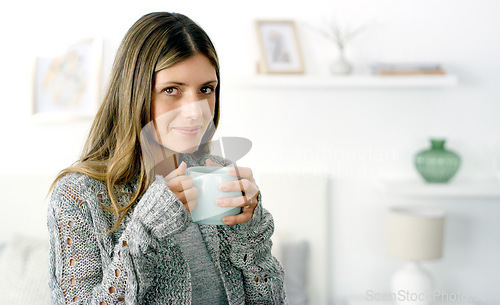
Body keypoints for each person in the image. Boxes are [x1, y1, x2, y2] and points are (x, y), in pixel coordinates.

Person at [47, 12, 287, 305]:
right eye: (171, 90)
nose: (195, 110)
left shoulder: (219, 176)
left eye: (206, 89)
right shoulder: (78, 196)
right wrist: (145, 230)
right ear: (134, 93)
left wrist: (250, 233)